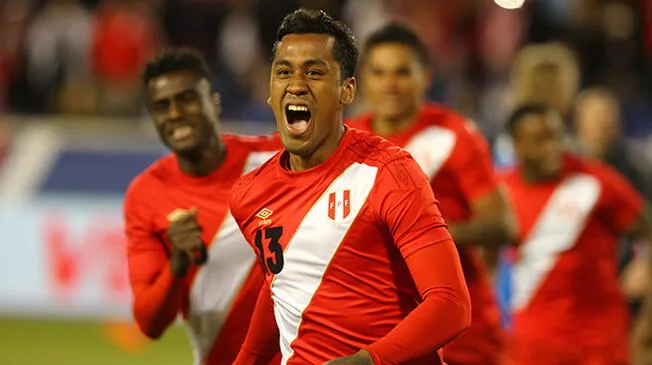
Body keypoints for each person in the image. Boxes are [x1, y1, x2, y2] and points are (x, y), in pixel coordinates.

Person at [230, 9, 471, 365]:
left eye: (314, 72)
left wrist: (364, 361)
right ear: (270, 90)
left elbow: (451, 304)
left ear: (347, 90)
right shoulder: (249, 194)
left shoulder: (389, 173)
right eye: (284, 72)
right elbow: (281, 285)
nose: (296, 84)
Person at [346, 23, 517, 365]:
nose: (390, 85)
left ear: (425, 77)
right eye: (379, 73)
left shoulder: (454, 134)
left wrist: (425, 234)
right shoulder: (347, 139)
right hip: (375, 333)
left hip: (459, 339)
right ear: (362, 80)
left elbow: (504, 225)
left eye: (402, 72)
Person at [123, 48, 282, 365]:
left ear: (215, 102)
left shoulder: (275, 159)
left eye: (187, 99)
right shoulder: (146, 194)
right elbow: (149, 323)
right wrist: (178, 264)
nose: (175, 113)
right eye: (161, 106)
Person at [498, 104, 652, 365]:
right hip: (530, 342)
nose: (551, 147)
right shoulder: (501, 190)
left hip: (598, 341)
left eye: (555, 136)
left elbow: (648, 230)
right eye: (539, 139)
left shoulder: (595, 180)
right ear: (516, 145)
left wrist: (647, 312)